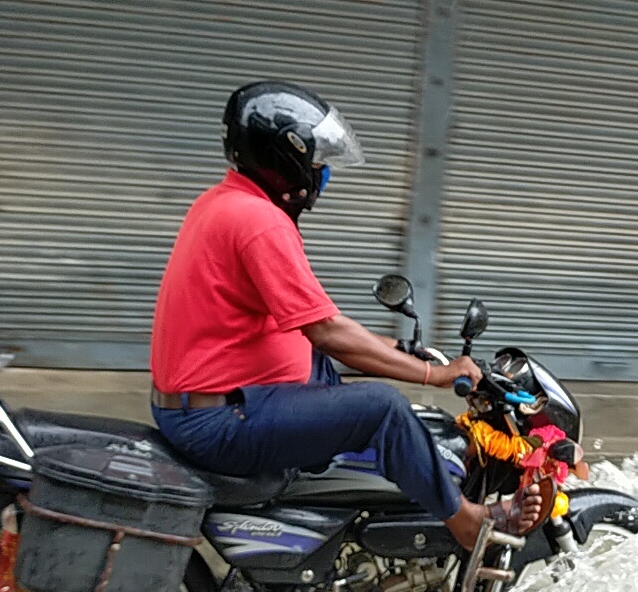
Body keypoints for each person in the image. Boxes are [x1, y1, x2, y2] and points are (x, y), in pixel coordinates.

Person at [148, 81, 543, 549]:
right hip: (218, 423)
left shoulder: (222, 202)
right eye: (316, 160)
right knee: (383, 408)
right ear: (284, 159)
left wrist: (398, 349)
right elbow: (327, 330)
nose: (322, 172)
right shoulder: (258, 223)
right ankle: (465, 518)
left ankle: (354, 503)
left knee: (328, 369)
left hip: (215, 401)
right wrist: (433, 374)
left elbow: (309, 326)